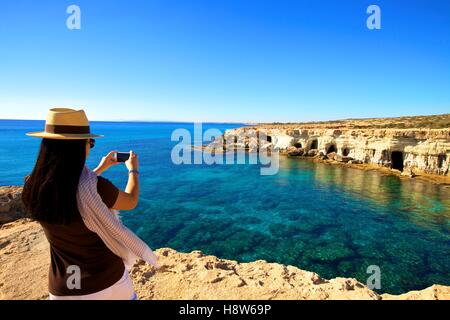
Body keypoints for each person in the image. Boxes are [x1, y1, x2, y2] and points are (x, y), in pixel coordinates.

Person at [22, 108, 157, 300]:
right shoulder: (97, 188)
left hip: (63, 288)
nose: (90, 146)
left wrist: (101, 168)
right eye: (90, 142)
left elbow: (71, 189)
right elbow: (131, 200)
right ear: (78, 147)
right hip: (107, 282)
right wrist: (133, 171)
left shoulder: (33, 187)